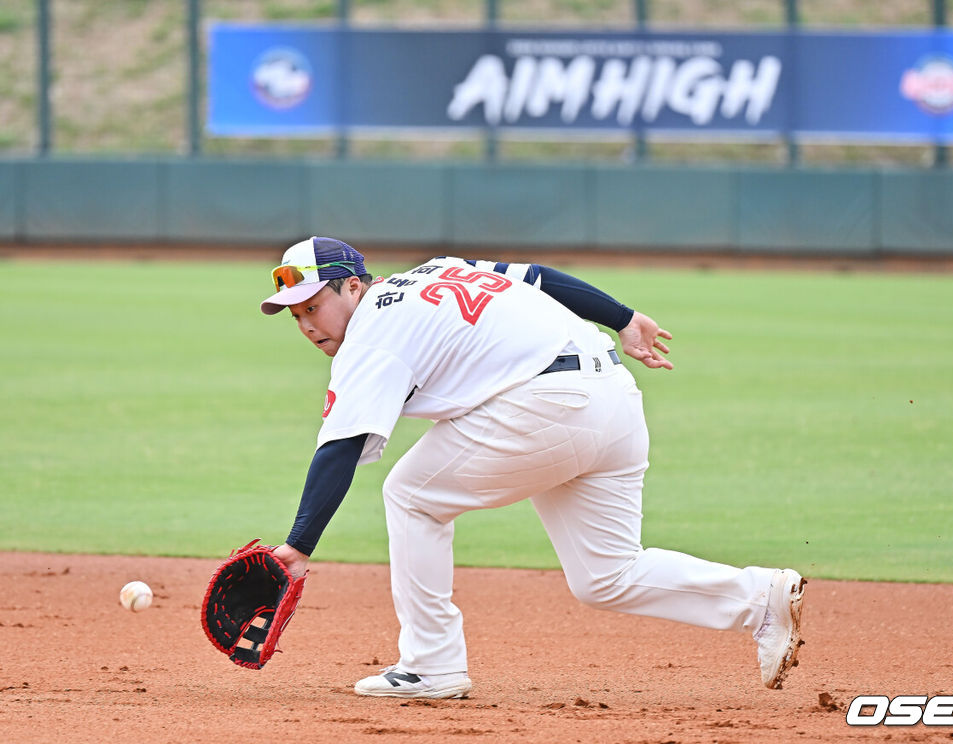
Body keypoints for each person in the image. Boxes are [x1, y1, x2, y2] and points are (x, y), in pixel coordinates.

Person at [261, 236, 806, 700]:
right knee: (606, 576)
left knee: (411, 496)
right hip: (612, 398)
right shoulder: (441, 269)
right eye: (296, 314)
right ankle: (760, 599)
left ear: (353, 287)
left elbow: (341, 447)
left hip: (547, 403)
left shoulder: (371, 332)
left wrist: (299, 545)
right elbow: (539, 278)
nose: (306, 323)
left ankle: (431, 664)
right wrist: (622, 318)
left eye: (314, 304)